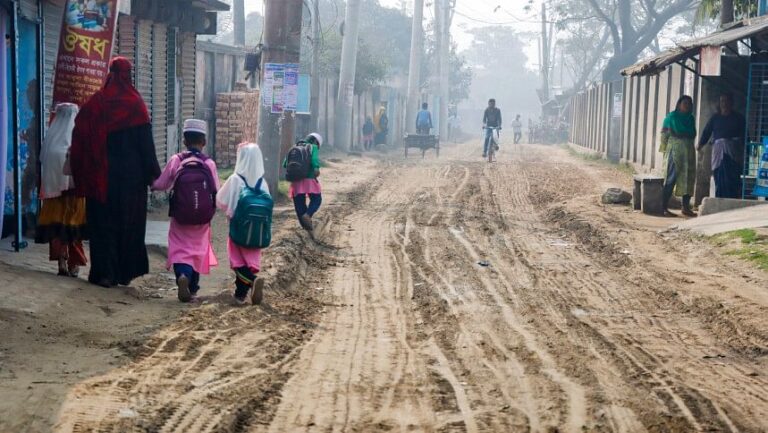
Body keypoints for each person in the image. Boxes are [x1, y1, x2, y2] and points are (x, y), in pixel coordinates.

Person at [70, 57, 161, 288]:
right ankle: (125, 273)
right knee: (128, 225)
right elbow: (145, 144)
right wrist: (152, 174)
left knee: (103, 225)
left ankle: (104, 274)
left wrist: (84, 169)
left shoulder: (97, 103)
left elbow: (79, 132)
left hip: (102, 178)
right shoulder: (136, 105)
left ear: (109, 74)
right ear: (128, 75)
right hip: (131, 181)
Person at [152, 119, 220, 303]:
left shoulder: (177, 160)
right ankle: (193, 289)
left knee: (180, 248)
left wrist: (151, 184)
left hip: (180, 216)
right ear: (204, 142)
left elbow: (162, 183)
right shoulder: (209, 164)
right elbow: (216, 191)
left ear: (184, 141)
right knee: (198, 250)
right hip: (202, 220)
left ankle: (182, 274)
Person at [35, 103, 87, 277]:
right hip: (74, 197)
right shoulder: (75, 142)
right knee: (74, 230)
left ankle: (61, 262)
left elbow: (43, 164)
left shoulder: (50, 144)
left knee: (56, 229)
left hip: (53, 196)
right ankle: (74, 264)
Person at [217, 143, 268, 305]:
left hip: (238, 228)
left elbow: (221, 201)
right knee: (249, 263)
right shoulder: (262, 182)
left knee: (238, 263)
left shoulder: (235, 179)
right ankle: (240, 295)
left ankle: (253, 282)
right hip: (258, 230)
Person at [698, 93, 746, 199]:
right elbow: (707, 131)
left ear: (732, 103)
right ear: (719, 104)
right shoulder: (715, 118)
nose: (724, 104)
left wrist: (744, 148)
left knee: (732, 175)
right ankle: (719, 198)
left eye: (727, 101)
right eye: (722, 101)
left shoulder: (738, 118)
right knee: (718, 174)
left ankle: (732, 198)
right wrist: (700, 144)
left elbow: (744, 135)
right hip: (717, 152)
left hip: (733, 151)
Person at [660, 95, 697, 217]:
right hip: (675, 153)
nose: (687, 105)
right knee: (671, 179)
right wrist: (665, 151)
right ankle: (663, 207)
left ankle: (685, 207)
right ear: (679, 104)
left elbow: (693, 134)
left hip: (688, 153)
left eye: (689, 103)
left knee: (689, 179)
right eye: (684, 103)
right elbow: (664, 135)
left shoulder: (691, 119)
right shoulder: (672, 117)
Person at [285, 133, 323, 231]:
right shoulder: (313, 147)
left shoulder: (294, 147)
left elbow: (285, 164)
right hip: (309, 179)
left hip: (296, 181)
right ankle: (308, 215)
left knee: (299, 203)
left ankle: (305, 227)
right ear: (315, 141)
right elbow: (314, 159)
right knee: (316, 199)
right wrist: (316, 168)